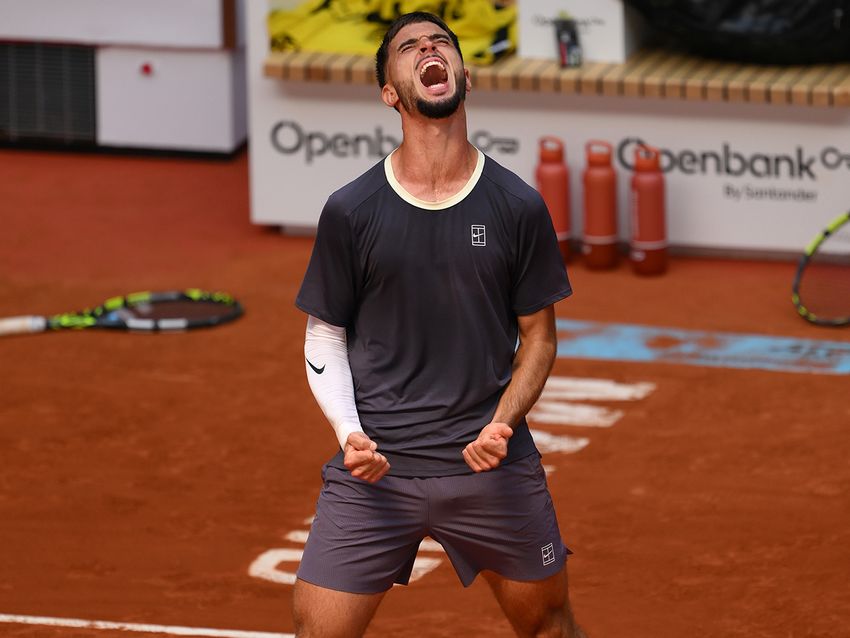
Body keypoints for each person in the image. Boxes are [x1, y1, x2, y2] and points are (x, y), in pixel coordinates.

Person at [293, 11, 586, 638]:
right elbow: (324, 334)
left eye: (441, 42)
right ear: (390, 93)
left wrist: (503, 423)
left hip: (491, 469)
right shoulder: (351, 211)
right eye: (409, 47)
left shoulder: (517, 206)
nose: (429, 47)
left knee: (549, 626)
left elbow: (539, 336)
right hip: (376, 473)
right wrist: (348, 432)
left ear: (464, 76)